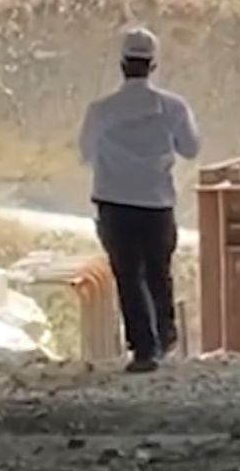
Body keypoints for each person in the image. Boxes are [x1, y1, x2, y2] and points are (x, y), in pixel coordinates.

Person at [79, 27, 199, 372]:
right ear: (153, 65)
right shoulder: (173, 107)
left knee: (128, 275)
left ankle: (144, 350)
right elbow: (190, 148)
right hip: (157, 204)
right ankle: (164, 337)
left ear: (121, 64)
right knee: (159, 272)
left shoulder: (100, 110)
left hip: (113, 204)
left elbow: (86, 154)